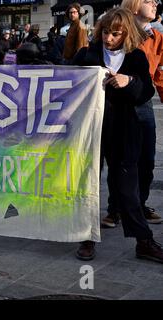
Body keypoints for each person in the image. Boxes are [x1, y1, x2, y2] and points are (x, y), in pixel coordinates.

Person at [73, 7, 163, 263]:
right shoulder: (87, 54)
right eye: (106, 32)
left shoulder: (135, 57)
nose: (109, 38)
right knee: (88, 183)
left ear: (127, 34)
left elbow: (146, 91)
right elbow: (66, 80)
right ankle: (87, 237)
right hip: (90, 129)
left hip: (124, 130)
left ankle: (143, 241)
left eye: (116, 34)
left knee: (128, 187)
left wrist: (129, 82)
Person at [116, 0, 163, 226]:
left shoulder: (157, 37)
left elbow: (160, 74)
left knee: (147, 158)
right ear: (134, 6)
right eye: (148, 0)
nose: (154, 3)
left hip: (143, 104)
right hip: (118, 104)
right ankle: (115, 208)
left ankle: (140, 204)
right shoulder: (120, 32)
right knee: (120, 158)